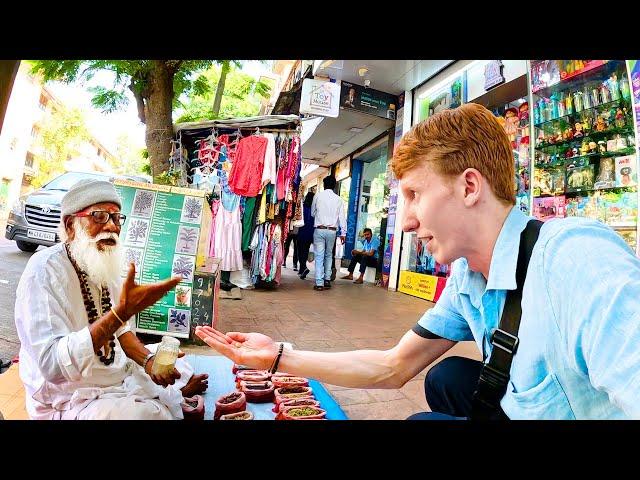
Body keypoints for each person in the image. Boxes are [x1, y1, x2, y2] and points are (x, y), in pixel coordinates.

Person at [195, 102, 640, 420]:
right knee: (444, 377)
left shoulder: (578, 259)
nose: (405, 222)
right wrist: (278, 357)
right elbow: (393, 367)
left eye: (414, 195)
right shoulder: (468, 276)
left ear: (469, 187)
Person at [15, 179, 209, 420]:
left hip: (114, 372)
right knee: (143, 415)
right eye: (99, 217)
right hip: (72, 395)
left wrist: (148, 362)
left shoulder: (106, 264)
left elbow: (121, 332)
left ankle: (167, 392)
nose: (112, 226)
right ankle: (169, 397)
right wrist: (118, 315)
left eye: (116, 218)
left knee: (170, 358)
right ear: (70, 225)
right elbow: (52, 366)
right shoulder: (44, 271)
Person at [310, 176, 347, 291]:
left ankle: (319, 283)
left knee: (319, 255)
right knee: (329, 255)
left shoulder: (317, 196)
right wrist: (343, 233)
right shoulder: (339, 199)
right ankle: (327, 279)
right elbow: (342, 218)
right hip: (332, 231)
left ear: (324, 185)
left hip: (319, 229)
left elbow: (312, 213)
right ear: (334, 185)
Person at [297, 191, 315, 280]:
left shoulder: (302, 207)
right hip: (310, 233)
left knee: (300, 251)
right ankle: (302, 269)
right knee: (306, 251)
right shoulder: (314, 209)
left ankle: (303, 267)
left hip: (302, 232)